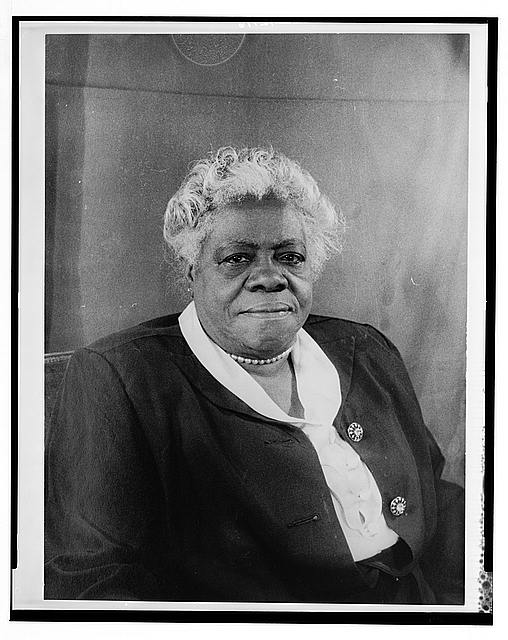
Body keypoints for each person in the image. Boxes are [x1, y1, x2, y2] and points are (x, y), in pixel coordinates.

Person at [45, 146, 464, 604]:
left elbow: (439, 503)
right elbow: (94, 577)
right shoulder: (119, 378)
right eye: (237, 258)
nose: (269, 277)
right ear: (191, 271)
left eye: (290, 256)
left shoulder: (365, 349)